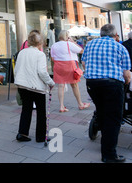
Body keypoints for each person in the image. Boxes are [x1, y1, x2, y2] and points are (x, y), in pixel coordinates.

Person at [82, 24, 131, 163]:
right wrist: (124, 84)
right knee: (113, 119)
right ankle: (109, 155)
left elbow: (84, 64)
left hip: (92, 84)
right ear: (115, 35)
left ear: (101, 34)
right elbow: (127, 75)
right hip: (112, 85)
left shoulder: (90, 44)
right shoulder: (120, 47)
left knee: (103, 113)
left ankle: (103, 135)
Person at [14, 31, 55, 142]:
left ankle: (22, 133)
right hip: (36, 87)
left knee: (26, 109)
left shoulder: (21, 52)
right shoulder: (40, 54)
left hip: (23, 86)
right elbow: (42, 72)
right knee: (41, 112)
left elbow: (16, 69)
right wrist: (51, 82)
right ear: (40, 43)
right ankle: (41, 136)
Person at [50, 30, 88, 112]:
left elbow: (52, 58)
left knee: (61, 86)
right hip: (69, 65)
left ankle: (61, 106)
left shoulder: (54, 45)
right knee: (74, 85)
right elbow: (81, 50)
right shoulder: (69, 44)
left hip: (58, 66)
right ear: (67, 36)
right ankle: (80, 104)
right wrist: (73, 42)